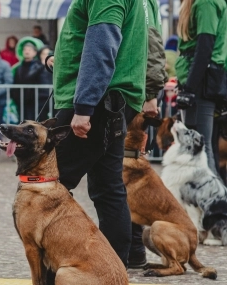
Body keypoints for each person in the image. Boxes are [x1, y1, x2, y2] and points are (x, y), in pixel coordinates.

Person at [51, 0, 149, 269]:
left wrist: (83, 107)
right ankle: (112, 267)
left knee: (50, 185)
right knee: (108, 188)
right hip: (109, 101)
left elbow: (101, 47)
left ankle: (56, 267)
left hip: (95, 102)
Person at [129, 0, 167, 269]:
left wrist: (151, 94)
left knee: (126, 179)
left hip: (137, 96)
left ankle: (133, 253)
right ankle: (134, 252)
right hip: (138, 92)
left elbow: (152, 45)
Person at [175, 0, 227, 175]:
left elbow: (205, 47)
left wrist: (189, 88)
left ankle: (216, 201)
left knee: (201, 151)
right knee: (202, 149)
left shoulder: (206, 2)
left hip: (200, 84)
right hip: (198, 81)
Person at [12, 37, 44, 120]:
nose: (27, 51)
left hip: (33, 101)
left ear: (35, 52)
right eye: (25, 49)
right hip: (20, 100)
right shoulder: (18, 67)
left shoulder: (39, 67)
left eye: (29, 50)